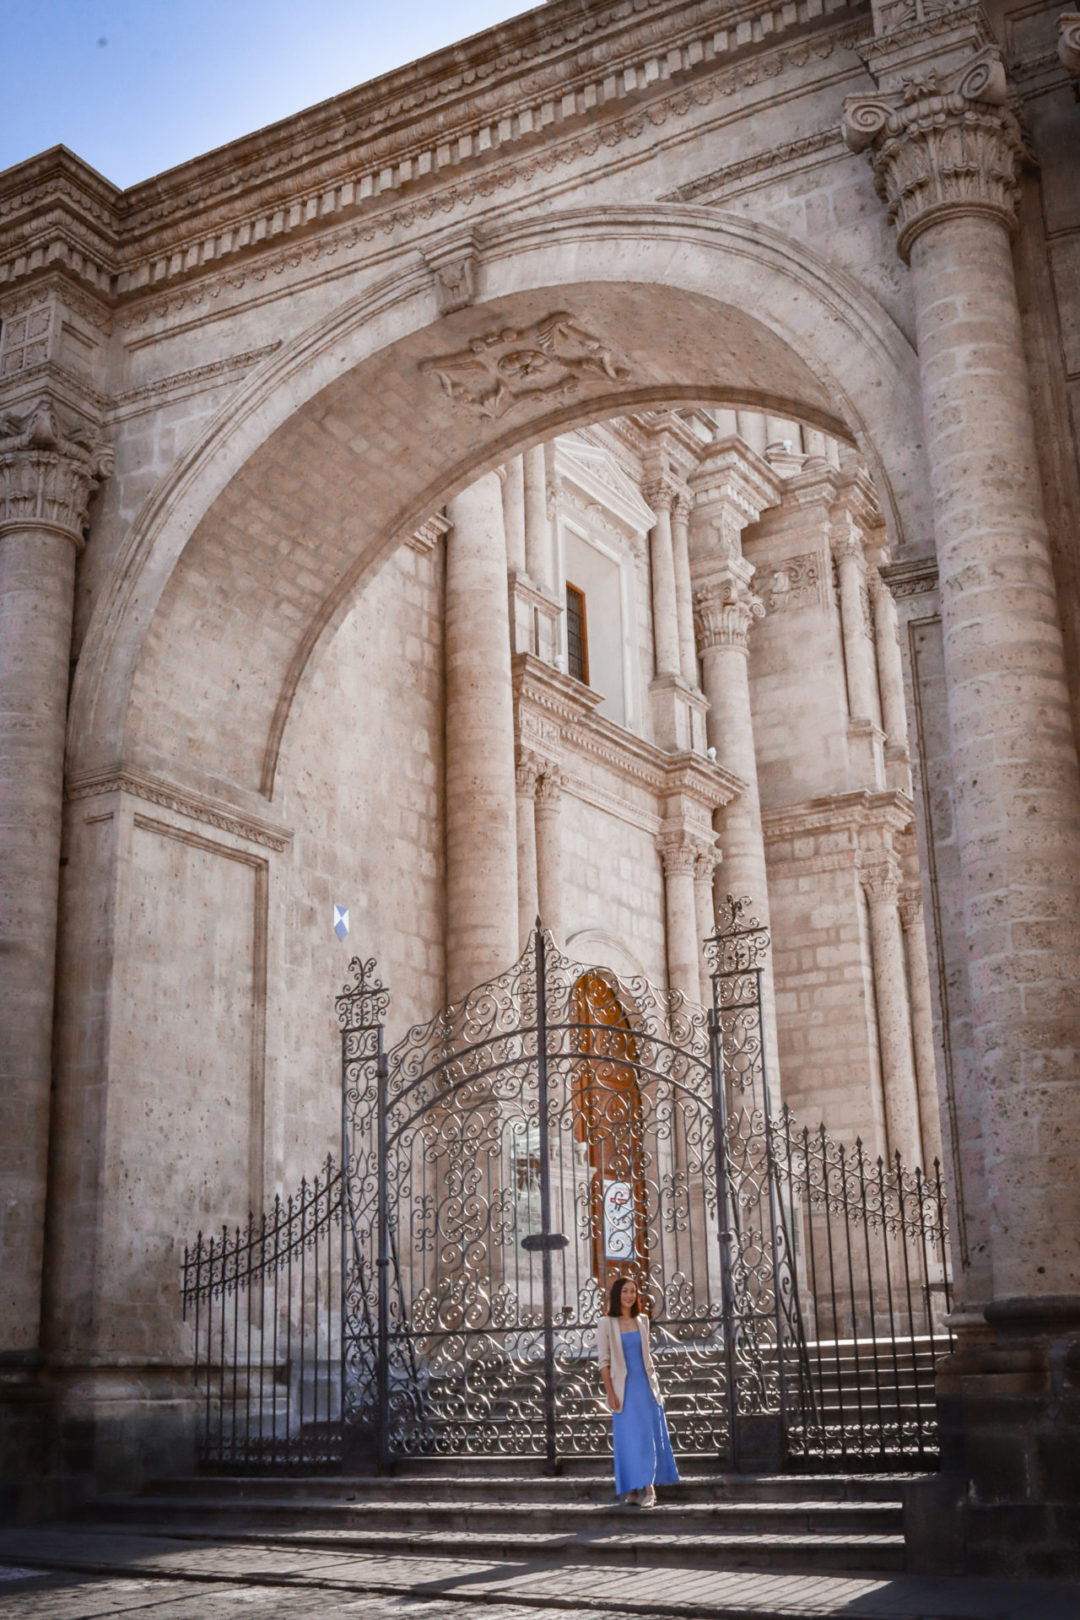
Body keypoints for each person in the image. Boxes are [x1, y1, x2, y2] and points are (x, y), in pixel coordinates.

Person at [596, 1274, 679, 1506]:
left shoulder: (642, 1320)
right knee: (627, 1439)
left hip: (645, 1386)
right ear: (617, 1295)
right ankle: (631, 1490)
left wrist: (656, 1387)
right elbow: (604, 1362)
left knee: (646, 1437)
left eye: (633, 1291)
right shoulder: (605, 1323)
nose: (630, 1296)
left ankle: (650, 1489)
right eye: (625, 1291)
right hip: (623, 1390)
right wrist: (610, 1393)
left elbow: (646, 1355)